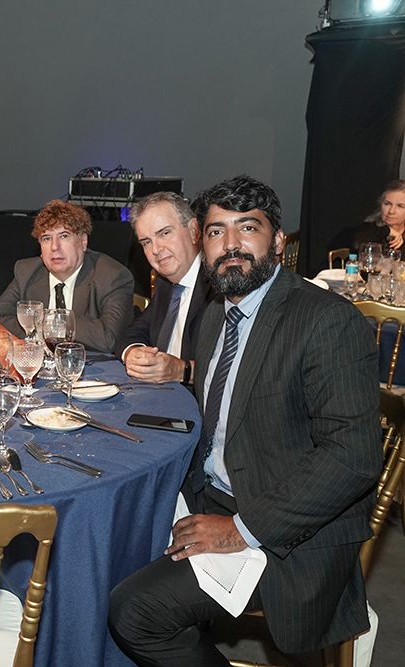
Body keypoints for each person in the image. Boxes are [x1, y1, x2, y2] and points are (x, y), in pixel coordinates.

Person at [108, 175, 380, 665]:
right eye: (217, 231)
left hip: (288, 530)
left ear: (277, 241)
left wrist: (241, 528)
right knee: (100, 545)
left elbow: (352, 459)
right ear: (203, 241)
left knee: (134, 612)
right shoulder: (220, 313)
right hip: (213, 491)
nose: (230, 244)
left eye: (247, 228)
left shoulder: (327, 321)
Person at [0, 200, 133, 352]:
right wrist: (43, 333)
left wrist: (52, 322)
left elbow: (108, 338)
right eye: (47, 238)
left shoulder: (112, 276)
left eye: (64, 236)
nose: (54, 247)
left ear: (83, 241)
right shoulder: (27, 272)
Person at [114, 192, 214, 384]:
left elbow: (235, 367)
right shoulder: (166, 285)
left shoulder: (219, 286)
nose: (156, 249)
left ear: (194, 230)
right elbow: (133, 333)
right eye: (146, 242)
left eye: (164, 233)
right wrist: (133, 353)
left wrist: (182, 370)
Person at [335, 179, 405, 253]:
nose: (391, 211)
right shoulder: (367, 229)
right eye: (387, 204)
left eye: (400, 206)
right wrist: (387, 230)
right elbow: (357, 244)